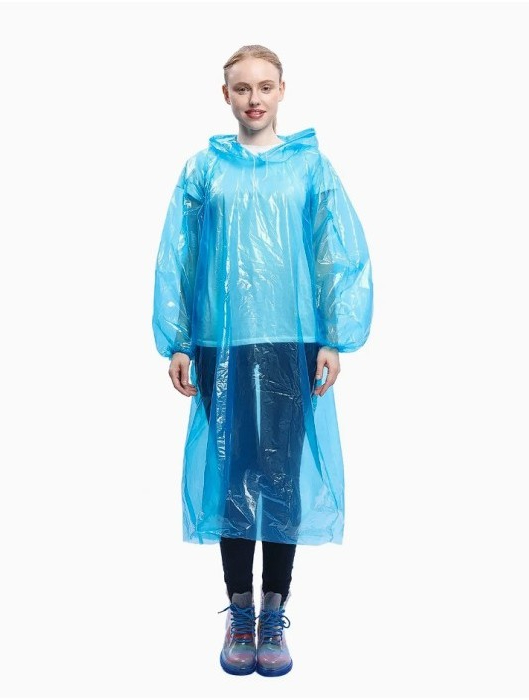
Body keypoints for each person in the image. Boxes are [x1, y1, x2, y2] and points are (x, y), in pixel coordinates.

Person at [152, 44, 373, 677]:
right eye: (243, 88)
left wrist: (333, 337)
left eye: (265, 87)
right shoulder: (203, 171)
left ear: (282, 91)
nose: (254, 98)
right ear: (225, 94)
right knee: (232, 473)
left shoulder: (311, 168)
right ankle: (240, 612)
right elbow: (179, 256)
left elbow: (335, 253)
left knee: (279, 475)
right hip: (220, 341)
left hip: (290, 340)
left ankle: (274, 611)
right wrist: (178, 339)